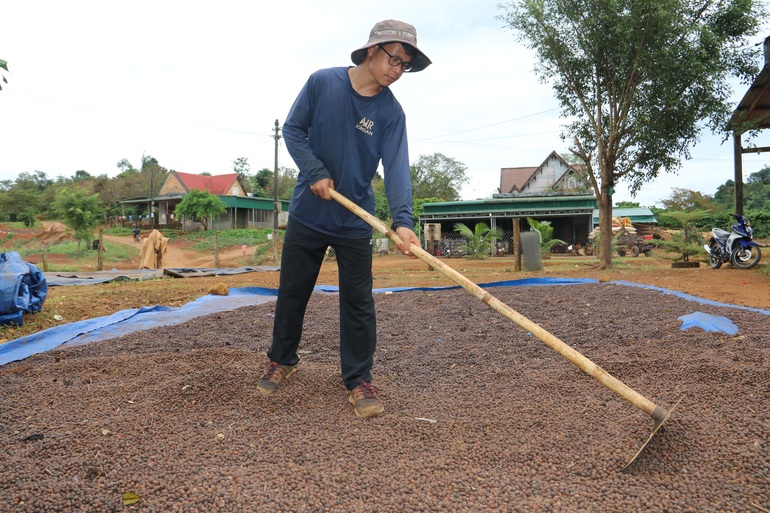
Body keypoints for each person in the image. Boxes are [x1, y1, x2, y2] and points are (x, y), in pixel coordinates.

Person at [257, 19, 431, 418]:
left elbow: (398, 169)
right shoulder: (323, 83)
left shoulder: (391, 113)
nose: (397, 70)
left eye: (405, 65)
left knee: (358, 303)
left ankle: (358, 379)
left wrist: (404, 222)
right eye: (394, 58)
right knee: (293, 292)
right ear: (373, 50)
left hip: (355, 220)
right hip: (309, 212)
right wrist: (315, 171)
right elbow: (295, 130)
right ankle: (281, 359)